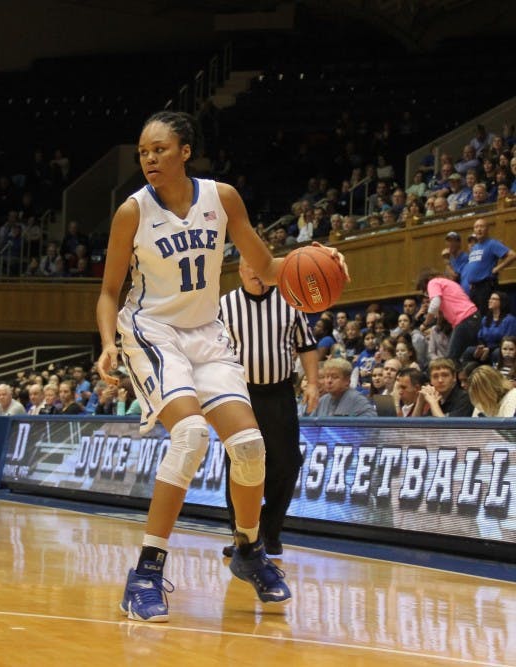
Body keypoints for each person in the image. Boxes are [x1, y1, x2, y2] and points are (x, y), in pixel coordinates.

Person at [95, 110, 348, 621]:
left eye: (160, 149)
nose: (149, 159)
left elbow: (272, 268)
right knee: (189, 437)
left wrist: (325, 261)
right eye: (144, 151)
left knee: (251, 447)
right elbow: (107, 291)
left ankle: (249, 550)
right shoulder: (132, 212)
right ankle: (145, 571)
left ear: (186, 151)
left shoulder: (222, 197)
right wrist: (106, 343)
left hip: (207, 333)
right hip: (152, 331)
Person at [219, 258, 320, 557]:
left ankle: (270, 532)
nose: (258, 275)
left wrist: (312, 382)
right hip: (239, 395)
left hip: (279, 393)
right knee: (240, 463)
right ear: (241, 271)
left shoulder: (291, 300)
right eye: (252, 269)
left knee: (288, 463)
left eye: (263, 269)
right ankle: (244, 537)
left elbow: (307, 345)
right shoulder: (224, 306)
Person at [416, 268, 481, 363]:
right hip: (474, 317)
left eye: (425, 291)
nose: (427, 294)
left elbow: (435, 304)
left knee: (451, 360)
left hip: (464, 319)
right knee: (467, 357)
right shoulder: (448, 283)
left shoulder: (433, 282)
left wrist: (425, 324)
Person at [460, 218, 516, 316]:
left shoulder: (492, 243)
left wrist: (498, 268)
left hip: (485, 286)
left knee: (484, 316)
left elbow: (512, 255)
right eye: (476, 227)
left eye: (482, 226)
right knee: (473, 317)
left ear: (487, 229)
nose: (479, 229)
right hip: (474, 288)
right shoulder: (475, 247)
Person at [312, 358, 377, 417]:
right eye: (326, 377)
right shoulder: (322, 400)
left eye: (334, 377)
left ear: (347, 381)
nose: (329, 381)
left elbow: (372, 423)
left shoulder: (357, 400)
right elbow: (309, 426)